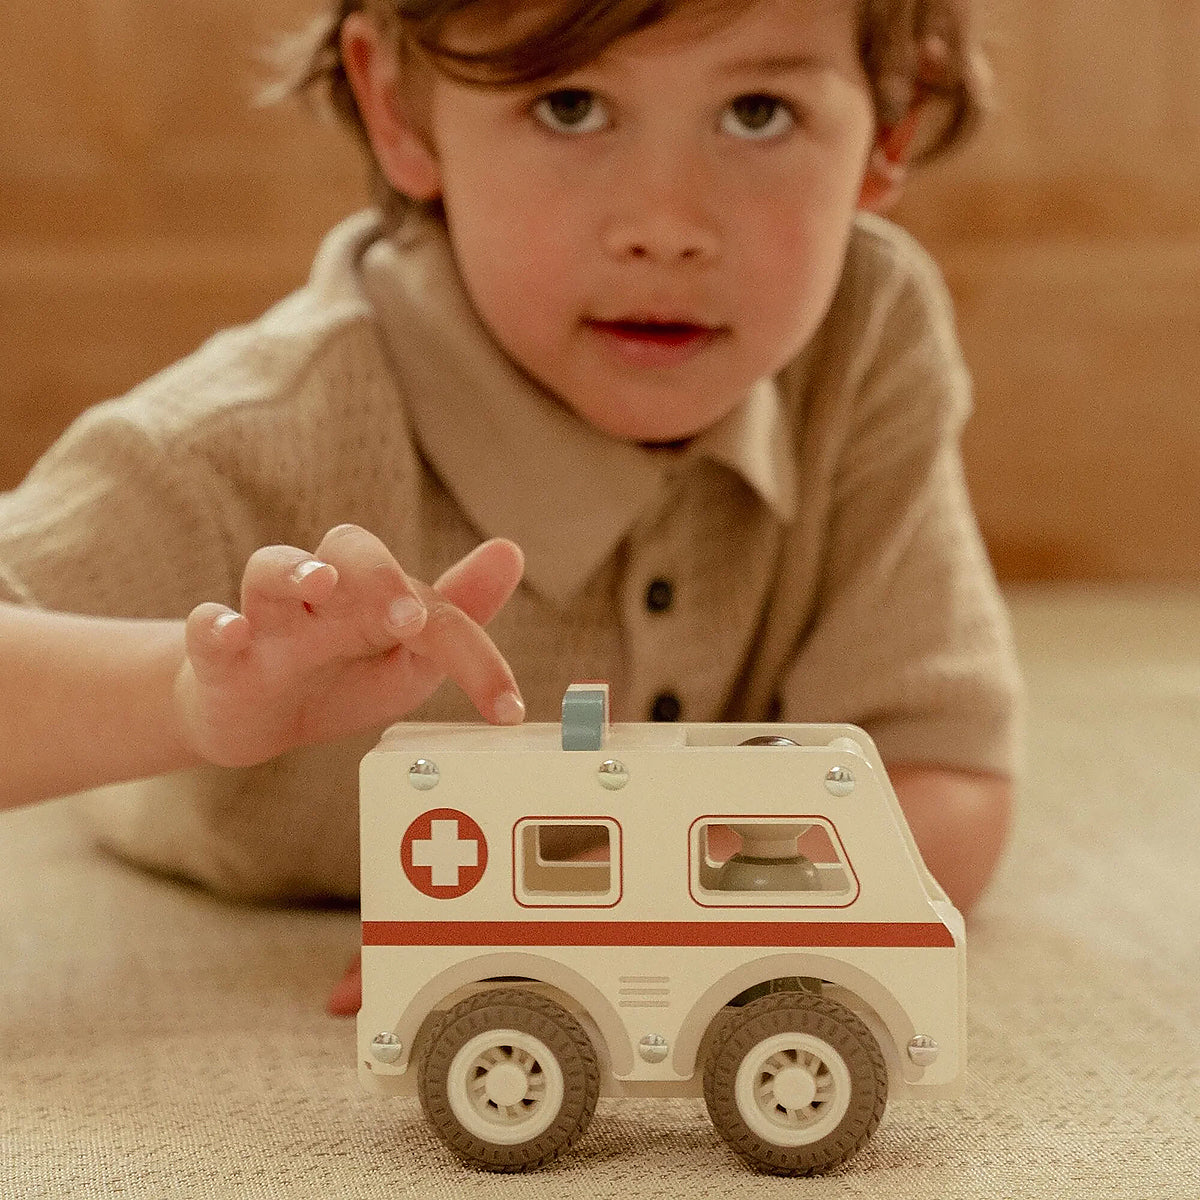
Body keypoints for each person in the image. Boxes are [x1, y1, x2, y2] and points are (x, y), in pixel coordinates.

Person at [0, 0, 1022, 1014]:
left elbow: (943, 773)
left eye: (758, 112)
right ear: (398, 108)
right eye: (571, 106)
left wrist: (634, 913)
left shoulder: (863, 336)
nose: (664, 228)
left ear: (894, 123)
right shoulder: (252, 436)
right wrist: (189, 701)